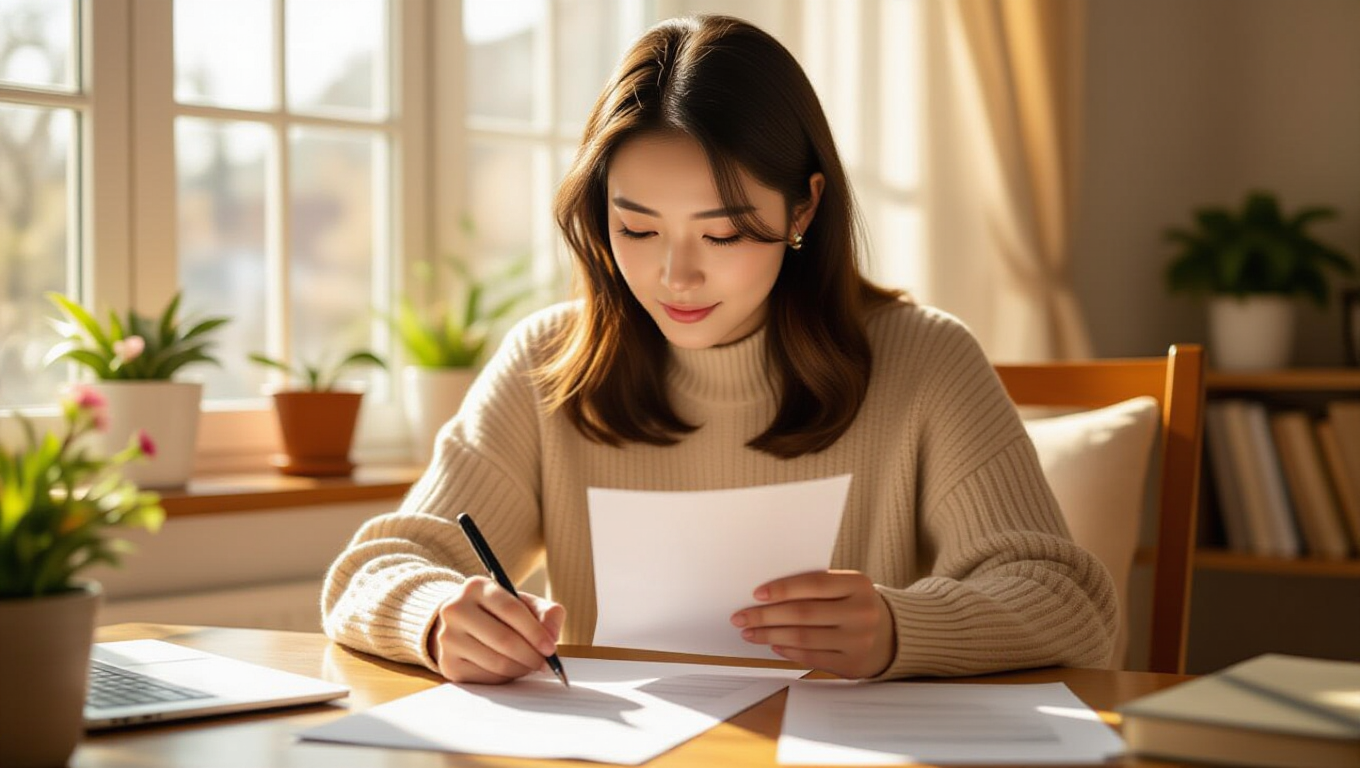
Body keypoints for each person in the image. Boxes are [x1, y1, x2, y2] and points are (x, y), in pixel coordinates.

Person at [322, 15, 1115, 683]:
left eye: (724, 231)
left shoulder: (925, 361)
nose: (675, 275)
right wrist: (435, 618)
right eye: (636, 227)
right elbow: (372, 568)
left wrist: (903, 629)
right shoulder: (547, 364)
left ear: (804, 205)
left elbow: (1069, 602)